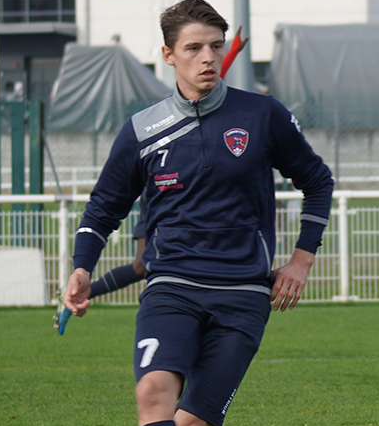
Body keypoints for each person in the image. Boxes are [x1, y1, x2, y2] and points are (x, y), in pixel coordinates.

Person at [62, 0, 334, 426]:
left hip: (243, 296)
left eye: (215, 45)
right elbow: (105, 205)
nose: (207, 57)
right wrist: (83, 266)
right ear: (168, 56)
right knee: (154, 392)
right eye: (193, 48)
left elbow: (317, 180)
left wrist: (301, 262)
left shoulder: (262, 116)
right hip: (172, 286)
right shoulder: (144, 129)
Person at [53, 30, 248, 334]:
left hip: (175, 198)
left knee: (142, 266)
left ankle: (88, 293)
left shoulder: (195, 94)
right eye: (193, 49)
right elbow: (105, 203)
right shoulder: (152, 119)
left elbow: (217, 71)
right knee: (143, 265)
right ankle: (87, 292)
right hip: (159, 200)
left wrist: (233, 48)